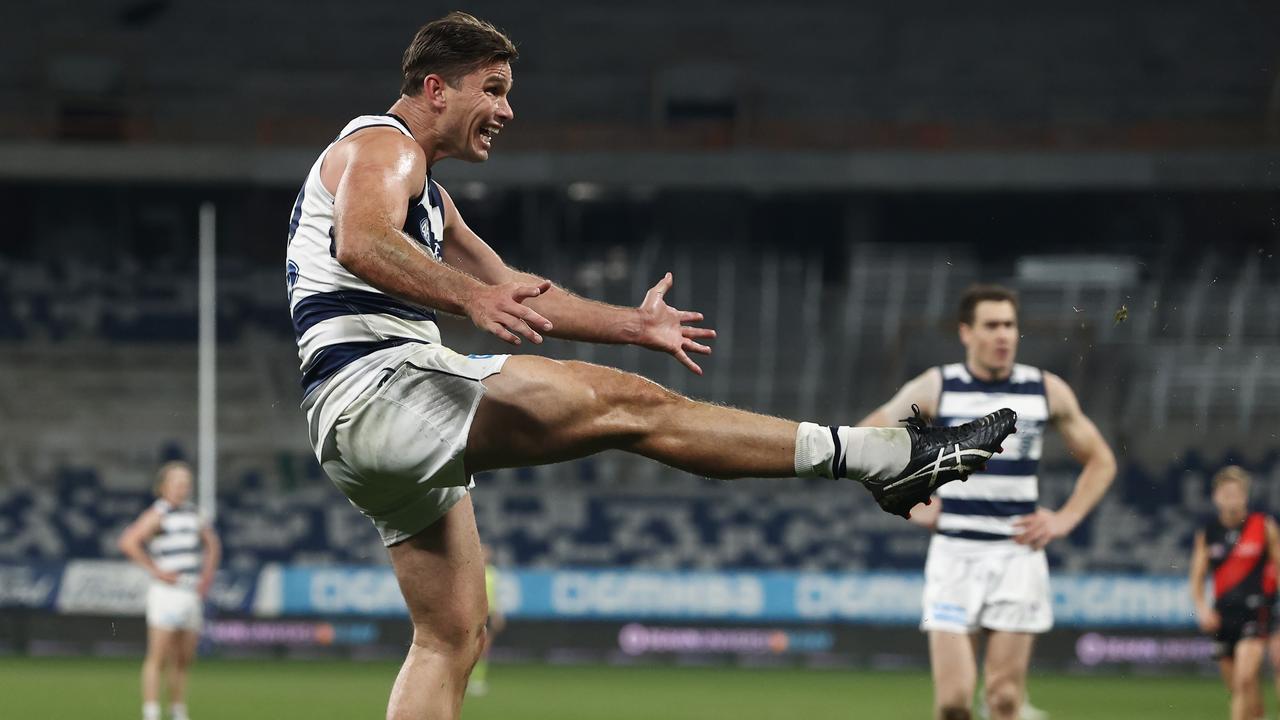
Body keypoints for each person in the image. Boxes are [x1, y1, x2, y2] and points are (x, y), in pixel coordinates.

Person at [284, 12, 1017, 720]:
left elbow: (516, 288)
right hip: (382, 388)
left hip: (356, 424)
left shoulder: (430, 193)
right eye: (494, 89)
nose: (508, 110)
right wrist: (473, 299)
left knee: (451, 636)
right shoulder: (385, 145)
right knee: (634, 408)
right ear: (437, 88)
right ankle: (881, 457)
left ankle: (881, 459)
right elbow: (362, 240)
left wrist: (630, 324)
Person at [857, 284, 1115, 720]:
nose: (1003, 335)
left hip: (1017, 555)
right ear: (966, 332)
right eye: (992, 325)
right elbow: (867, 440)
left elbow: (1101, 460)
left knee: (1004, 700)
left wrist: (1066, 519)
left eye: (1010, 325)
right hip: (955, 554)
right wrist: (908, 500)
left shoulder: (1045, 390)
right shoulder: (939, 386)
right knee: (954, 703)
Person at [118, 461, 221, 720]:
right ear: (164, 486)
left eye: (185, 483)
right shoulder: (158, 514)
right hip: (167, 592)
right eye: (177, 482)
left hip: (190, 592)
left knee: (184, 658)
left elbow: (212, 544)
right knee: (158, 656)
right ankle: (151, 711)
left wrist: (207, 576)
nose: (182, 487)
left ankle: (177, 709)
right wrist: (155, 570)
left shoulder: (194, 513)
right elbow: (128, 542)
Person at [1190, 466, 1280, 720]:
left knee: (1243, 680)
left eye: (1236, 492)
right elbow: (1196, 578)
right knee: (1239, 689)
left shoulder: (1263, 526)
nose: (1231, 497)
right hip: (1223, 617)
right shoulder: (1208, 533)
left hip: (1256, 612)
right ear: (1216, 497)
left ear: (1245, 496)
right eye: (1226, 492)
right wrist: (1202, 608)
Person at [467, 544, 505, 697]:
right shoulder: (472, 572)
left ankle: (478, 681)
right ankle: (466, 679)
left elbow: (496, 596)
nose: (485, 556)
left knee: (484, 649)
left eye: (487, 553)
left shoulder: (493, 573)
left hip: (488, 614)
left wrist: (498, 614)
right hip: (473, 613)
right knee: (470, 649)